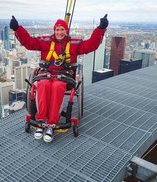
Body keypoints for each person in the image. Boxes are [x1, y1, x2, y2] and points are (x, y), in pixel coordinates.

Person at [10, 14, 108, 142]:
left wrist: (100, 29)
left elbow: (90, 45)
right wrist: (17, 28)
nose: (59, 32)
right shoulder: (45, 41)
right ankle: (41, 119)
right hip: (46, 73)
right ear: (54, 30)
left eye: (62, 30)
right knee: (43, 85)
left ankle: (52, 123)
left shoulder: (74, 43)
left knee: (57, 86)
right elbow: (29, 42)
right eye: (57, 29)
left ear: (66, 31)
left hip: (64, 76)